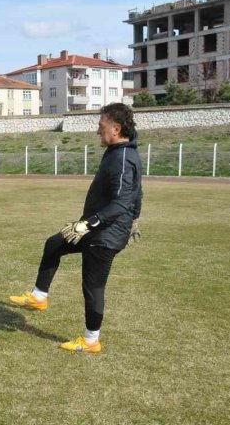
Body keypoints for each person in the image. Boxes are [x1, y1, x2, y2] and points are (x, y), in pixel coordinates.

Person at [8, 103, 143, 353]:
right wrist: (133, 220)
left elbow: (123, 200)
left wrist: (96, 223)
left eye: (101, 127)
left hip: (104, 235)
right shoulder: (120, 152)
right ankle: (39, 296)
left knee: (92, 287)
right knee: (54, 243)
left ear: (116, 128)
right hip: (95, 227)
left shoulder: (124, 157)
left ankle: (91, 341)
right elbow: (138, 194)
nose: (97, 131)